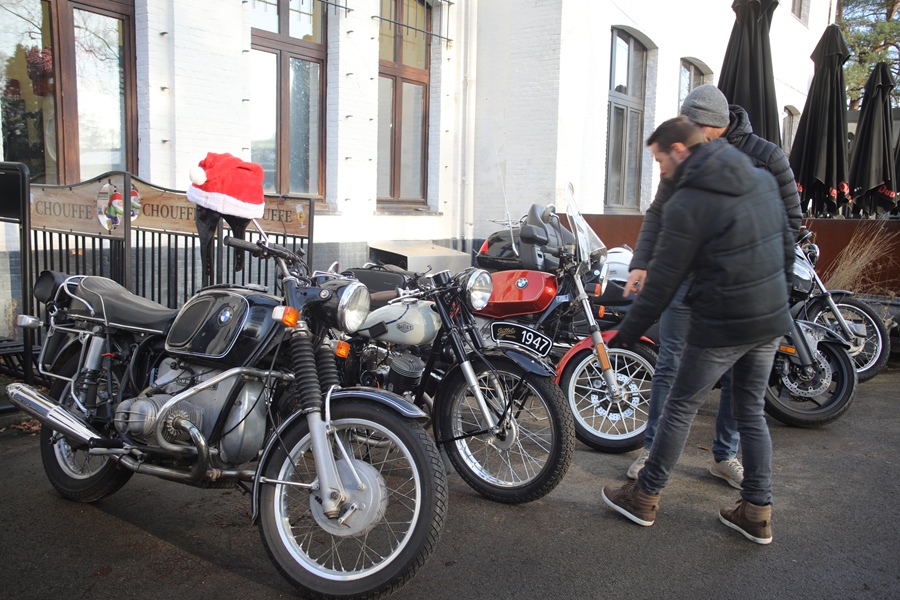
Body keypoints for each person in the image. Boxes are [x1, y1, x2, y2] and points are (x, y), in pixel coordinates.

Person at [601, 117, 793, 545]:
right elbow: (786, 246)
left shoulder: (690, 199)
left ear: (679, 151)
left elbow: (664, 279)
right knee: (751, 412)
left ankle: (644, 496)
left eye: (659, 160)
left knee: (680, 407)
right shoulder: (760, 178)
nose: (660, 170)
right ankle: (757, 513)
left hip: (724, 321)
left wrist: (625, 334)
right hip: (770, 317)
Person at [624, 84, 802, 488]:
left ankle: (724, 456)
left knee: (740, 383)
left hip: (737, 292)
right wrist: (641, 262)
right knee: (669, 365)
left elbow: (789, 223)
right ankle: (652, 451)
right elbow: (658, 213)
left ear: (708, 125)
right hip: (688, 284)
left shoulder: (766, 157)